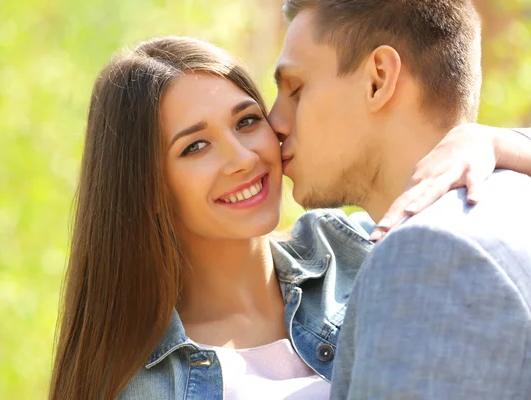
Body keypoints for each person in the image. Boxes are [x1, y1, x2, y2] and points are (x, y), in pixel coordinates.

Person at [48, 37, 531, 400]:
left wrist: (493, 141)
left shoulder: (372, 250)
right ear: (147, 187)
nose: (242, 158)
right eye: (195, 146)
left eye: (247, 121)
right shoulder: (136, 384)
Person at [269, 1, 531, 398]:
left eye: (296, 89)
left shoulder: (428, 251)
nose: (274, 123)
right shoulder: (514, 194)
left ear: (378, 79)